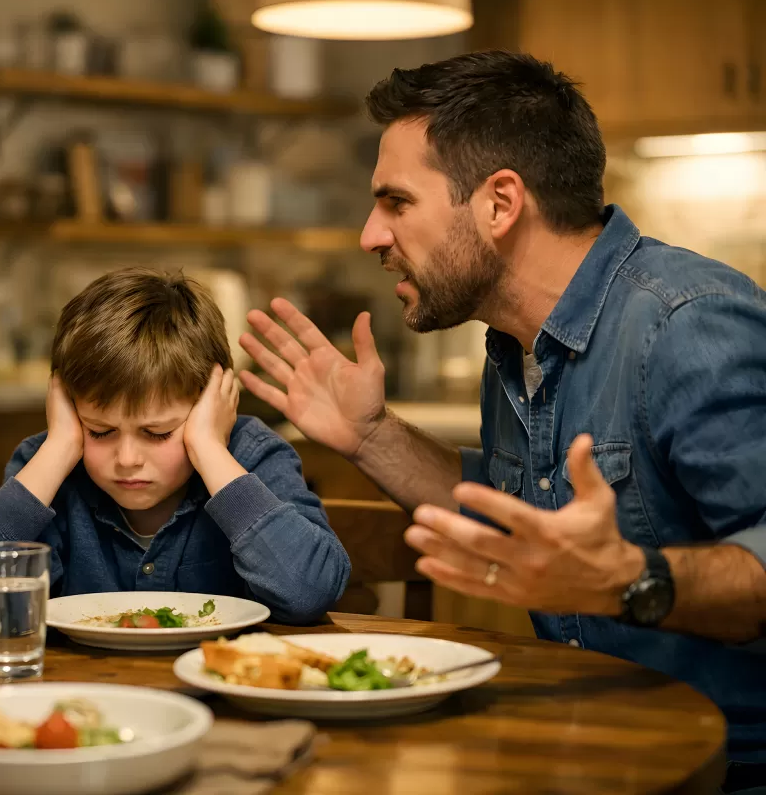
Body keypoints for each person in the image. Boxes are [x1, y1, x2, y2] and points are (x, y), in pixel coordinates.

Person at [238, 50, 766, 786]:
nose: (370, 235)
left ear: (500, 202)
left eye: (396, 202)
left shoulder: (684, 323)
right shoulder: (514, 343)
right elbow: (515, 514)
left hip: (723, 768)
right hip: (584, 746)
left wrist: (626, 580)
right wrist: (370, 435)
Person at [0, 268, 350, 624]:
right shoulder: (49, 464)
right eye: (100, 431)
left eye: (159, 433)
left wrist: (210, 451)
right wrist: (59, 450)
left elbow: (309, 592)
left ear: (212, 403)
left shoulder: (252, 457)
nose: (126, 460)